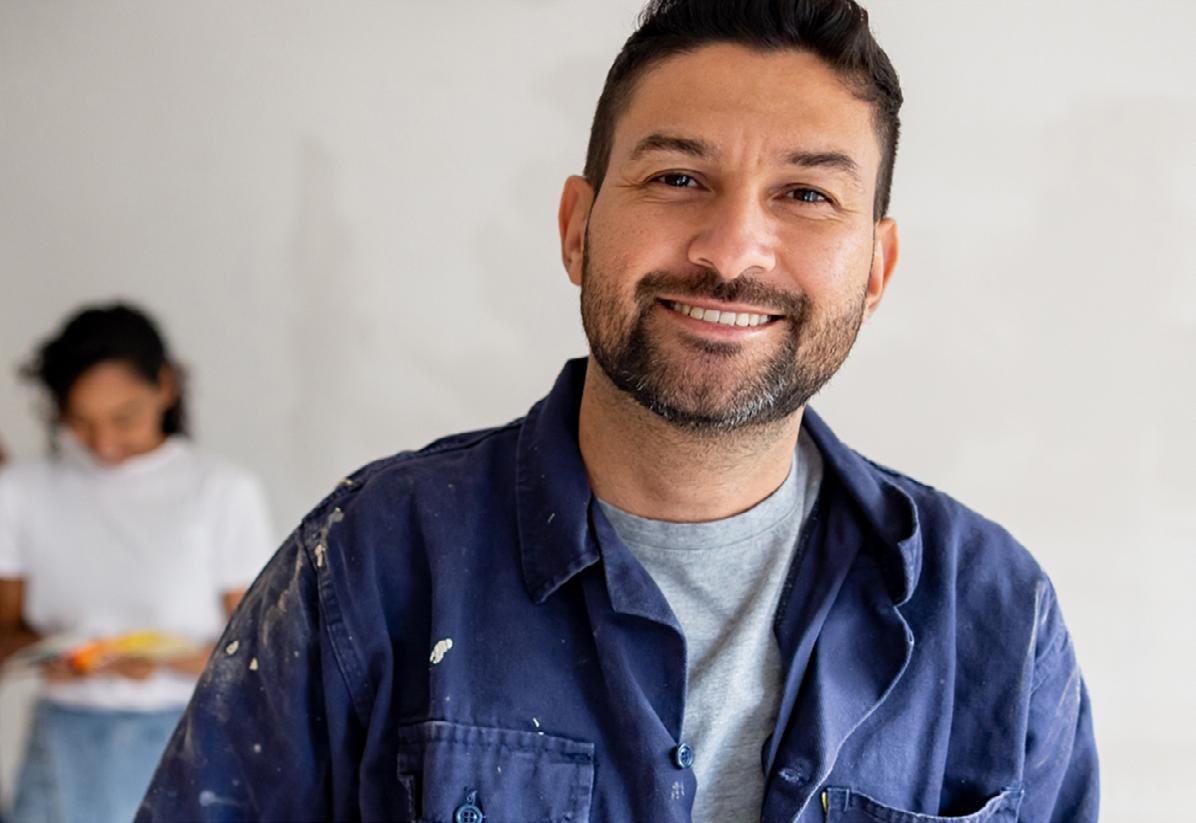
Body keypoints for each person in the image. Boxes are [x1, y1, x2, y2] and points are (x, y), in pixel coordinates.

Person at [139, 1, 1099, 820]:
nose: (732, 250)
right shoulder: (367, 562)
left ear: (877, 269)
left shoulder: (995, 614)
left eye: (807, 193)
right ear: (577, 228)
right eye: (678, 178)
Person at [0, 303, 275, 823]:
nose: (104, 443)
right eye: (81, 422)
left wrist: (166, 663)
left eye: (123, 418)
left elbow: (258, 653)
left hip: (184, 740)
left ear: (165, 387)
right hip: (62, 744)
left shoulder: (221, 491)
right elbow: (4, 635)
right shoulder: (21, 491)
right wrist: (42, 655)